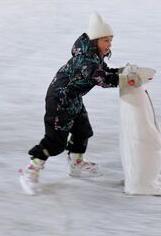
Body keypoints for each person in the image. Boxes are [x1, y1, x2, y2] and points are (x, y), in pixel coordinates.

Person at [18, 12, 144, 195]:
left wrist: (123, 71)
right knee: (55, 141)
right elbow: (100, 78)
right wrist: (125, 80)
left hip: (73, 98)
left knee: (82, 130)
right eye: (106, 40)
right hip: (59, 101)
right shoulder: (85, 59)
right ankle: (30, 170)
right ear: (95, 41)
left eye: (111, 40)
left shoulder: (93, 55)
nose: (110, 44)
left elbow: (104, 71)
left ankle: (76, 164)